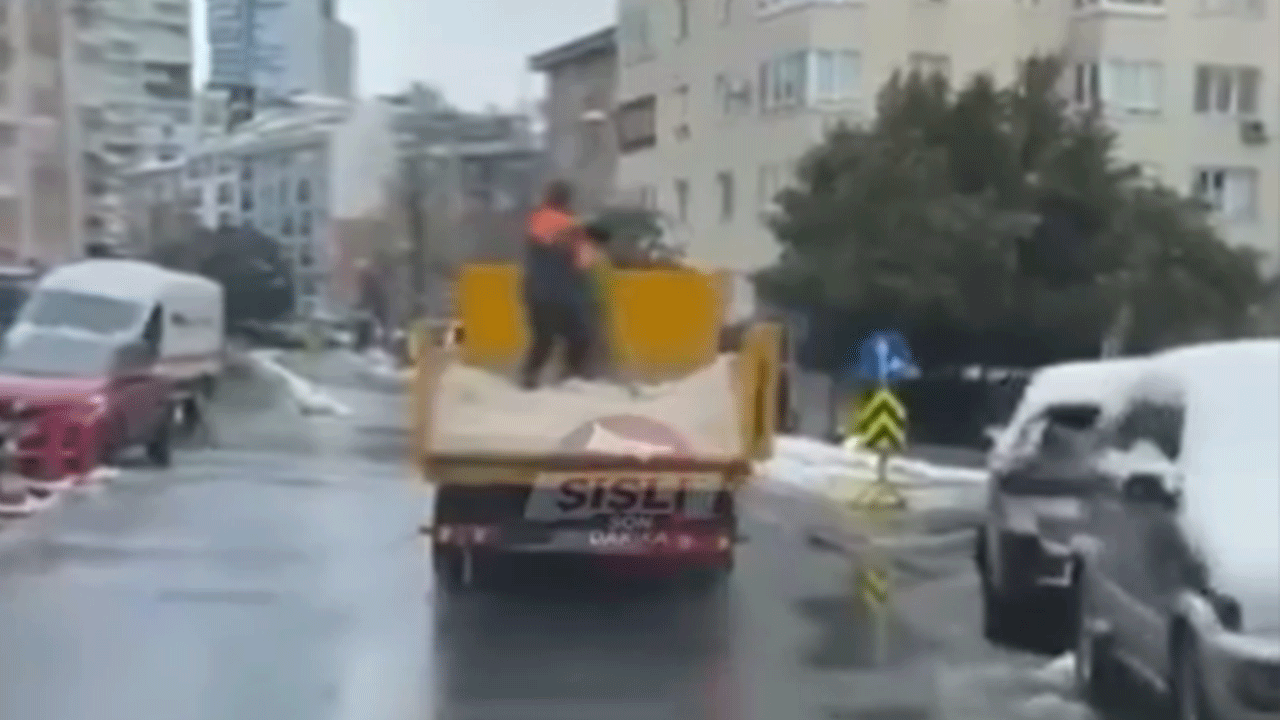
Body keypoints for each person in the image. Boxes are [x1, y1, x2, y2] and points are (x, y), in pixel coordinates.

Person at [519, 180, 593, 389]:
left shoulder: (537, 219)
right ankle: (572, 380)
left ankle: (529, 380)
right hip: (563, 296)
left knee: (544, 340)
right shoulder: (573, 225)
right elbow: (584, 263)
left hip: (537, 293)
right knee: (579, 339)